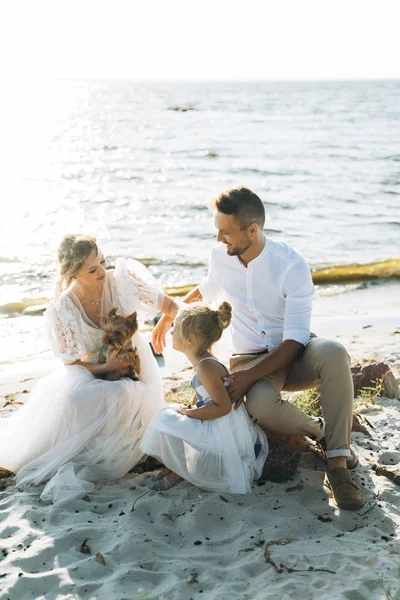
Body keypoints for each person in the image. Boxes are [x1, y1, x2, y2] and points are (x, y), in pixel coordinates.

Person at [152, 186, 364, 511]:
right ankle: (322, 431)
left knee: (334, 351)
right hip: (247, 357)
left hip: (296, 353)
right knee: (261, 406)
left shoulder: (290, 265)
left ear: (252, 229)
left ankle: (337, 464)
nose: (219, 238)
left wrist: (249, 376)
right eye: (216, 230)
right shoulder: (220, 257)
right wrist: (170, 317)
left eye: (225, 231)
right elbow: (207, 288)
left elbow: (295, 340)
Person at [0, 234, 179, 503]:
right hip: (93, 367)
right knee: (75, 397)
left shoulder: (122, 283)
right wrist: (106, 366)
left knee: (123, 394)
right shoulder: (63, 308)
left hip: (135, 365)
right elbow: (71, 362)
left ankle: (124, 442)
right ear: (73, 273)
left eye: (103, 262)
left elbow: (173, 306)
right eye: (92, 269)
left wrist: (164, 323)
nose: (102, 272)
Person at [141, 302, 268, 493]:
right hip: (218, 425)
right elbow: (206, 397)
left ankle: (178, 473)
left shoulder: (205, 367)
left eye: (176, 328)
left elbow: (223, 407)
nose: (171, 331)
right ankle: (172, 467)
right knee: (169, 413)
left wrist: (189, 413)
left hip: (224, 433)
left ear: (192, 339)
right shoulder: (203, 364)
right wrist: (190, 409)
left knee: (166, 417)